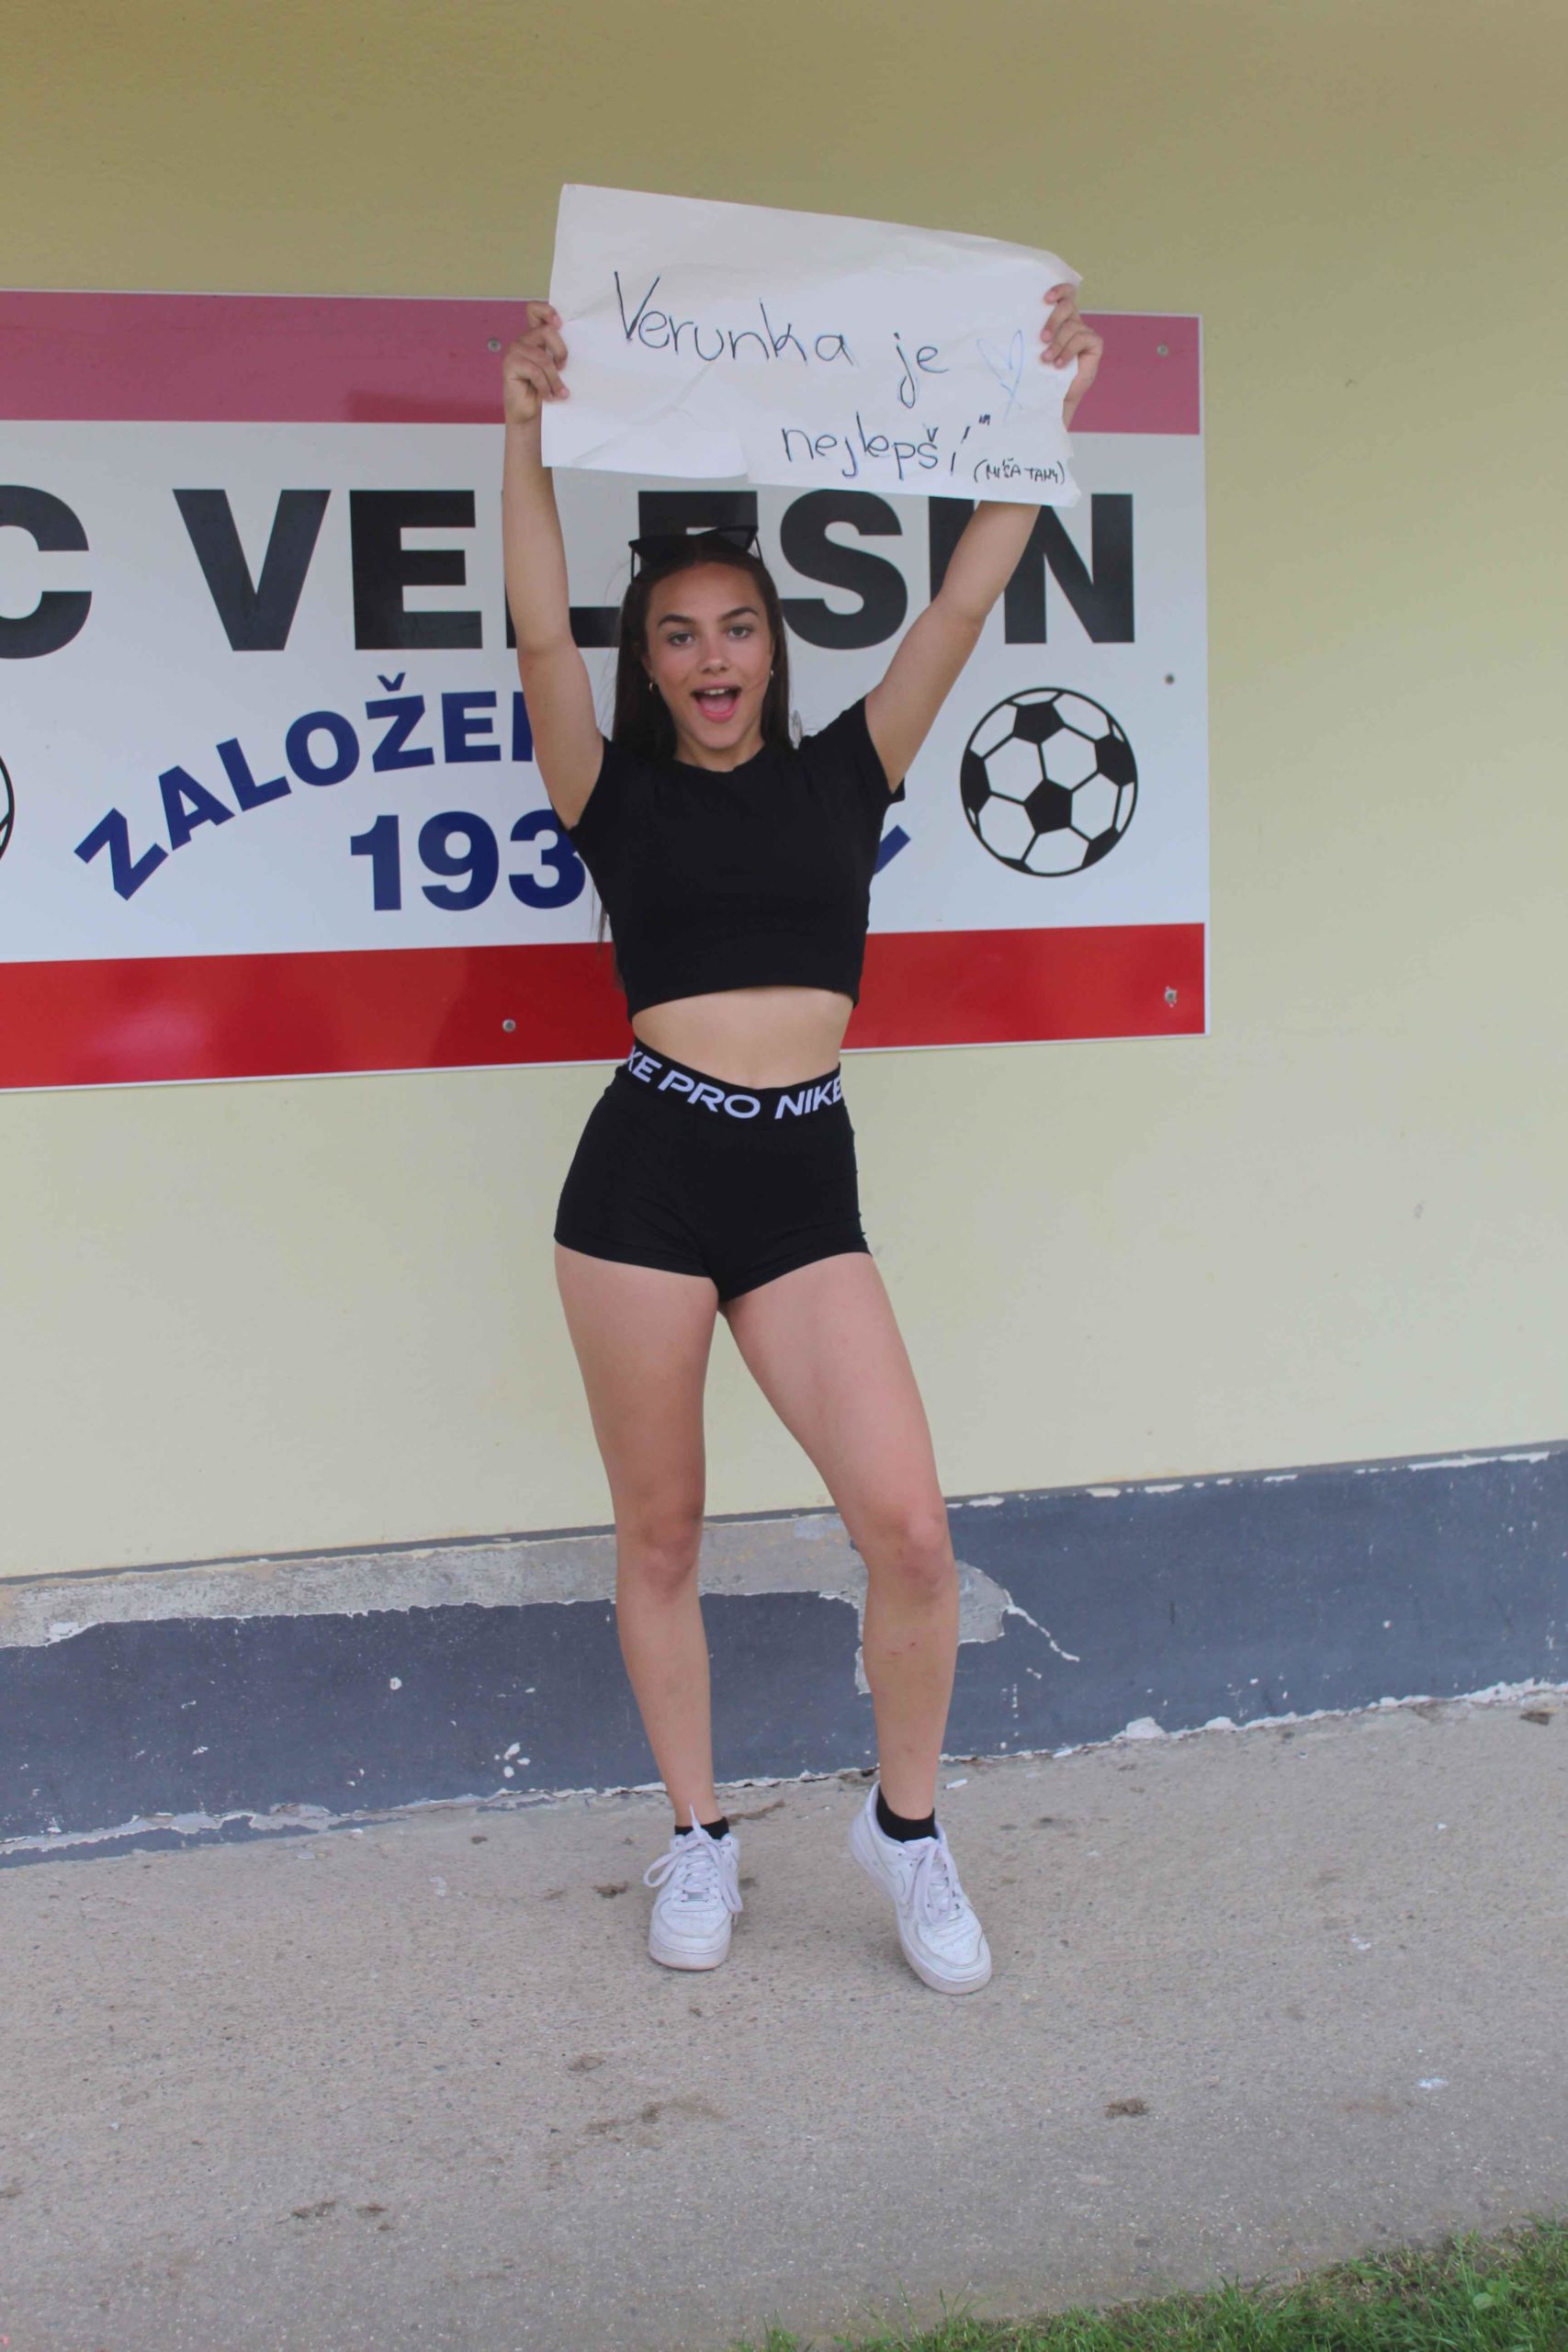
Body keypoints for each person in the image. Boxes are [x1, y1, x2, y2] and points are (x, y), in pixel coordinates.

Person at [501, 277, 1102, 1995]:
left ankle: (904, 1833)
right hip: (643, 1182)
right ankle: (697, 1836)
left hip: (800, 1185)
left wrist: (1041, 411)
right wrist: (523, 432)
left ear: (775, 644)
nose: (711, 658)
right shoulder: (606, 789)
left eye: (738, 628)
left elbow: (964, 598)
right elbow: (538, 633)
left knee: (910, 1533)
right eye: (679, 635)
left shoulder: (852, 770)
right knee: (663, 1533)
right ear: (649, 662)